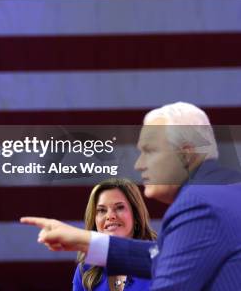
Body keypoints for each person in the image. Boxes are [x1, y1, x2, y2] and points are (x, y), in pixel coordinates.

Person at [21, 102, 241, 290]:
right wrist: (84, 240)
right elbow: (161, 258)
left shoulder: (198, 203)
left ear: (185, 153)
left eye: (150, 151)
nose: (139, 164)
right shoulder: (227, 189)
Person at [73, 178, 156, 291]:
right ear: (94, 220)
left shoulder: (158, 258)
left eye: (119, 207)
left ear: (136, 216)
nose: (110, 216)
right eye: (102, 210)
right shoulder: (85, 269)